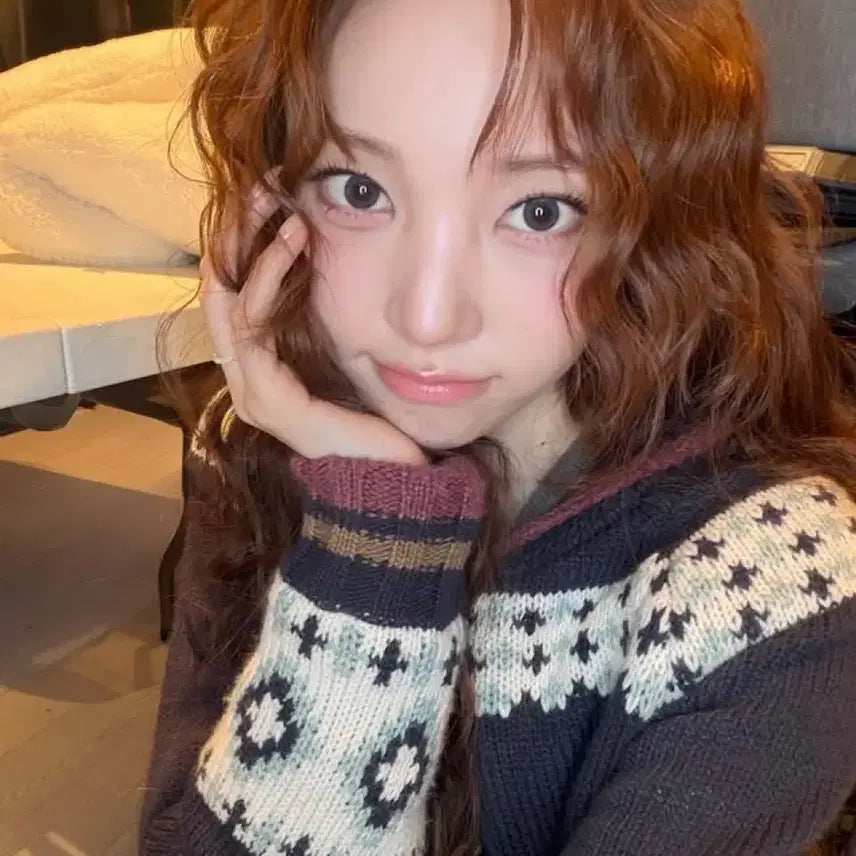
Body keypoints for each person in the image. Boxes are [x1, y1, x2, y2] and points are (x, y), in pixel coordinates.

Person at [140, 0, 856, 853]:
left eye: (541, 211)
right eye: (359, 190)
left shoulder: (776, 584)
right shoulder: (265, 440)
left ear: (663, 218)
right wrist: (371, 531)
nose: (428, 317)